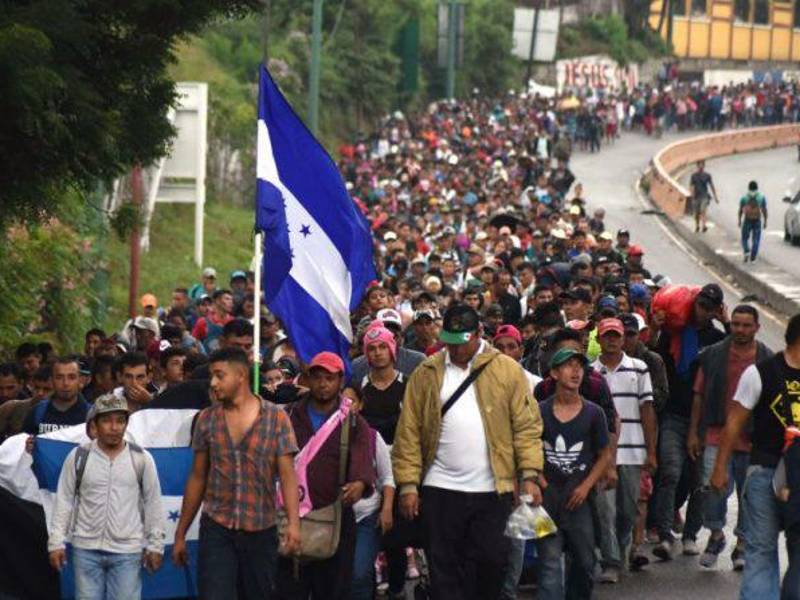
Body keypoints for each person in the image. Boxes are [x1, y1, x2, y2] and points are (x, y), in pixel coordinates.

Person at [392, 304, 544, 600]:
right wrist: (409, 485)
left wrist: (529, 475)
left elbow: (526, 427)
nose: (456, 349)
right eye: (450, 342)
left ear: (478, 334)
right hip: (440, 489)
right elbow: (408, 431)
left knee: (492, 563)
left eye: (462, 342)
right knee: (444, 570)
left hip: (492, 489)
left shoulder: (507, 370)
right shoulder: (427, 372)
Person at [173, 347, 301, 600]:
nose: (213, 383)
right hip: (217, 528)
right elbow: (197, 477)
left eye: (220, 375)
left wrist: (294, 525)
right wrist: (180, 533)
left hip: (261, 528)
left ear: (241, 376)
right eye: (212, 375)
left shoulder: (276, 418)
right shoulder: (207, 420)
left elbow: (288, 476)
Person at [710, 313, 800, 599]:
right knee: (761, 548)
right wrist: (720, 468)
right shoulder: (760, 372)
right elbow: (734, 422)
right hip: (765, 472)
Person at [275, 351, 375, 599]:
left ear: (340, 381)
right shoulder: (288, 415)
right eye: (317, 377)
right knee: (288, 590)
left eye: (329, 378)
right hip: (289, 516)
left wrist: (359, 483)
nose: (323, 384)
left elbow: (363, 455)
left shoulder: (353, 422)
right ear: (308, 379)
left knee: (333, 590)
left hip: (335, 517)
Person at [47, 394, 165, 600]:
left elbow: (153, 502)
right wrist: (56, 543)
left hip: (127, 551)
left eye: (120, 421)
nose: (114, 427)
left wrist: (156, 545)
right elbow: (64, 501)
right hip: (85, 550)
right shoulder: (78, 457)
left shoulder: (141, 458)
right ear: (95, 425)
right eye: (107, 421)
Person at [689, 304, 771, 571]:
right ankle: (716, 534)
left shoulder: (768, 361)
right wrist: (693, 433)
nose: (740, 330)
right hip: (716, 435)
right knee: (712, 489)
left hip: (754, 440)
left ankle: (742, 545)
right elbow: (699, 395)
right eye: (736, 324)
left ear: (757, 328)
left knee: (750, 496)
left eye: (746, 325)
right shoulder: (712, 355)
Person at [651, 283, 729, 561]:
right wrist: (656, 327)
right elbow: (654, 355)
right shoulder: (674, 332)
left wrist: (727, 323)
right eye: (700, 305)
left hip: (705, 422)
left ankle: (690, 535)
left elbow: (738, 356)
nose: (703, 312)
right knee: (670, 473)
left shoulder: (718, 339)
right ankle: (664, 534)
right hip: (673, 415)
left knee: (699, 482)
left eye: (710, 308)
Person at [536, 347, 612, 600]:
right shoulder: (539, 411)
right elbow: (527, 448)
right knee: (548, 562)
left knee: (585, 560)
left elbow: (604, 455)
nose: (576, 371)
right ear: (554, 373)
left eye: (579, 366)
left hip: (580, 500)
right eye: (568, 366)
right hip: (546, 500)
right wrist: (537, 479)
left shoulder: (594, 413)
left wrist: (586, 486)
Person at [592, 318, 657, 583]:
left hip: (632, 450)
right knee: (605, 510)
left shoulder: (639, 369)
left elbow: (647, 410)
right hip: (602, 453)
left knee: (628, 509)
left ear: (623, 338)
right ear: (599, 339)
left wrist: (651, 451)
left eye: (616, 335)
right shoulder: (590, 372)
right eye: (606, 335)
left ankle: (620, 550)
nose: (611, 340)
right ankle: (611, 561)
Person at [24, 356, 90, 436]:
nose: (65, 383)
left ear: (80, 381)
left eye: (71, 377)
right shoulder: (37, 412)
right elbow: (24, 440)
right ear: (52, 381)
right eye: (59, 378)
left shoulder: (91, 415)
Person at [738, 180, 768, 263]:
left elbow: (740, 210)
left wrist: (739, 220)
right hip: (757, 220)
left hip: (747, 219)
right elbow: (764, 210)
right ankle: (753, 257)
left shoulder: (744, 197)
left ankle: (746, 250)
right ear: (757, 188)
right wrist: (765, 221)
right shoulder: (761, 197)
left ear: (749, 188)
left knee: (744, 238)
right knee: (756, 239)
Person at [689, 160, 718, 233]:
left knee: (703, 210)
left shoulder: (707, 175)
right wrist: (692, 196)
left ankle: (704, 226)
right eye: (699, 165)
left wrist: (715, 197)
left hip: (704, 196)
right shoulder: (693, 176)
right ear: (697, 166)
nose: (701, 166)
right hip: (696, 197)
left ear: (704, 166)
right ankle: (697, 225)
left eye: (702, 165)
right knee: (696, 213)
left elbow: (712, 186)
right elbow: (691, 186)